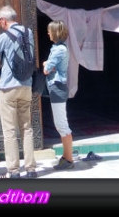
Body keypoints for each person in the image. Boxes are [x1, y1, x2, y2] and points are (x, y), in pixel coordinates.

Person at [0, 4, 37, 180]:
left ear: (2, 20)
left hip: (8, 87)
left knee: (10, 131)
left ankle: (13, 171)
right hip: (26, 85)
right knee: (27, 128)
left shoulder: (5, 36)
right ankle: (31, 169)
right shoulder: (28, 32)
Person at [42, 20, 74, 169]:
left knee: (61, 124)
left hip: (57, 87)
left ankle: (68, 159)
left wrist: (46, 64)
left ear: (55, 33)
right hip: (57, 87)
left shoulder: (58, 50)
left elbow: (46, 69)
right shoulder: (59, 48)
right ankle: (66, 157)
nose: (47, 33)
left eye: (50, 31)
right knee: (61, 123)